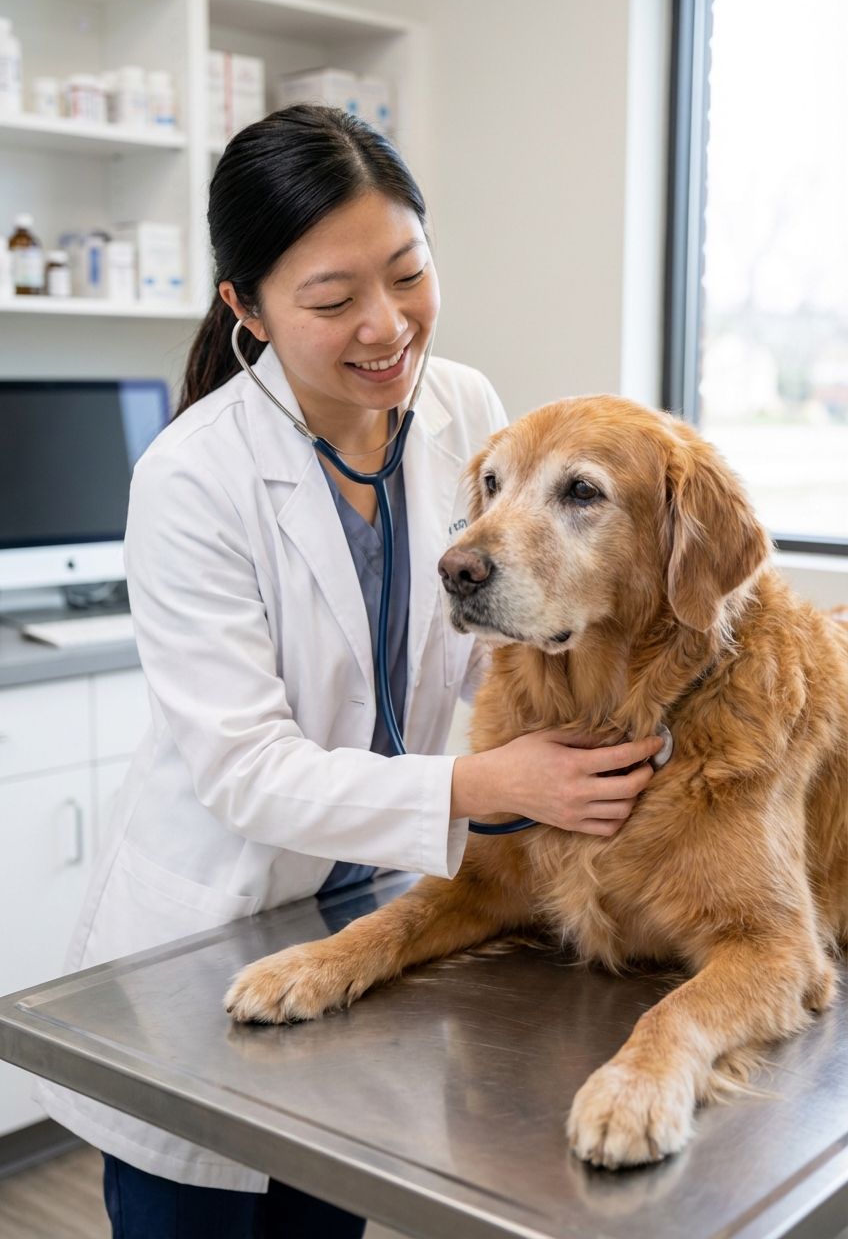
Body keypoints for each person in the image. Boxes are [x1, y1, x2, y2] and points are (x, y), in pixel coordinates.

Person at [37, 106, 662, 1238]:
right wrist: (488, 786)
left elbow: (508, 625)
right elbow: (247, 770)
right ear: (247, 308)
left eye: (408, 271)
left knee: (328, 1214)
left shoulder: (464, 408)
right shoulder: (190, 479)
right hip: (217, 929)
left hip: (375, 930)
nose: (386, 326)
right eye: (331, 301)